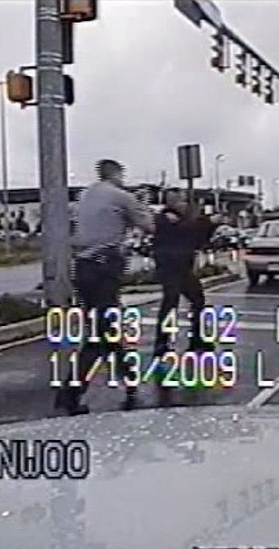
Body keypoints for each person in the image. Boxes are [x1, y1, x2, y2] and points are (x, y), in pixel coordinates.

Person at [54, 159, 156, 415]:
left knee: (106, 327)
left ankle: (130, 384)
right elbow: (150, 226)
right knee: (101, 335)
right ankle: (69, 394)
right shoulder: (121, 197)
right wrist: (142, 202)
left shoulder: (85, 195)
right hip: (104, 268)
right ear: (117, 173)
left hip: (84, 268)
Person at [152, 192, 224, 359]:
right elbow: (189, 231)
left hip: (183, 267)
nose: (184, 204)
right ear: (172, 202)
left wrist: (211, 225)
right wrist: (209, 222)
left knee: (197, 299)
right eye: (181, 200)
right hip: (170, 266)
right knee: (171, 302)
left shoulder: (182, 218)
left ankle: (197, 339)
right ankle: (162, 343)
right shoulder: (165, 218)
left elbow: (197, 238)